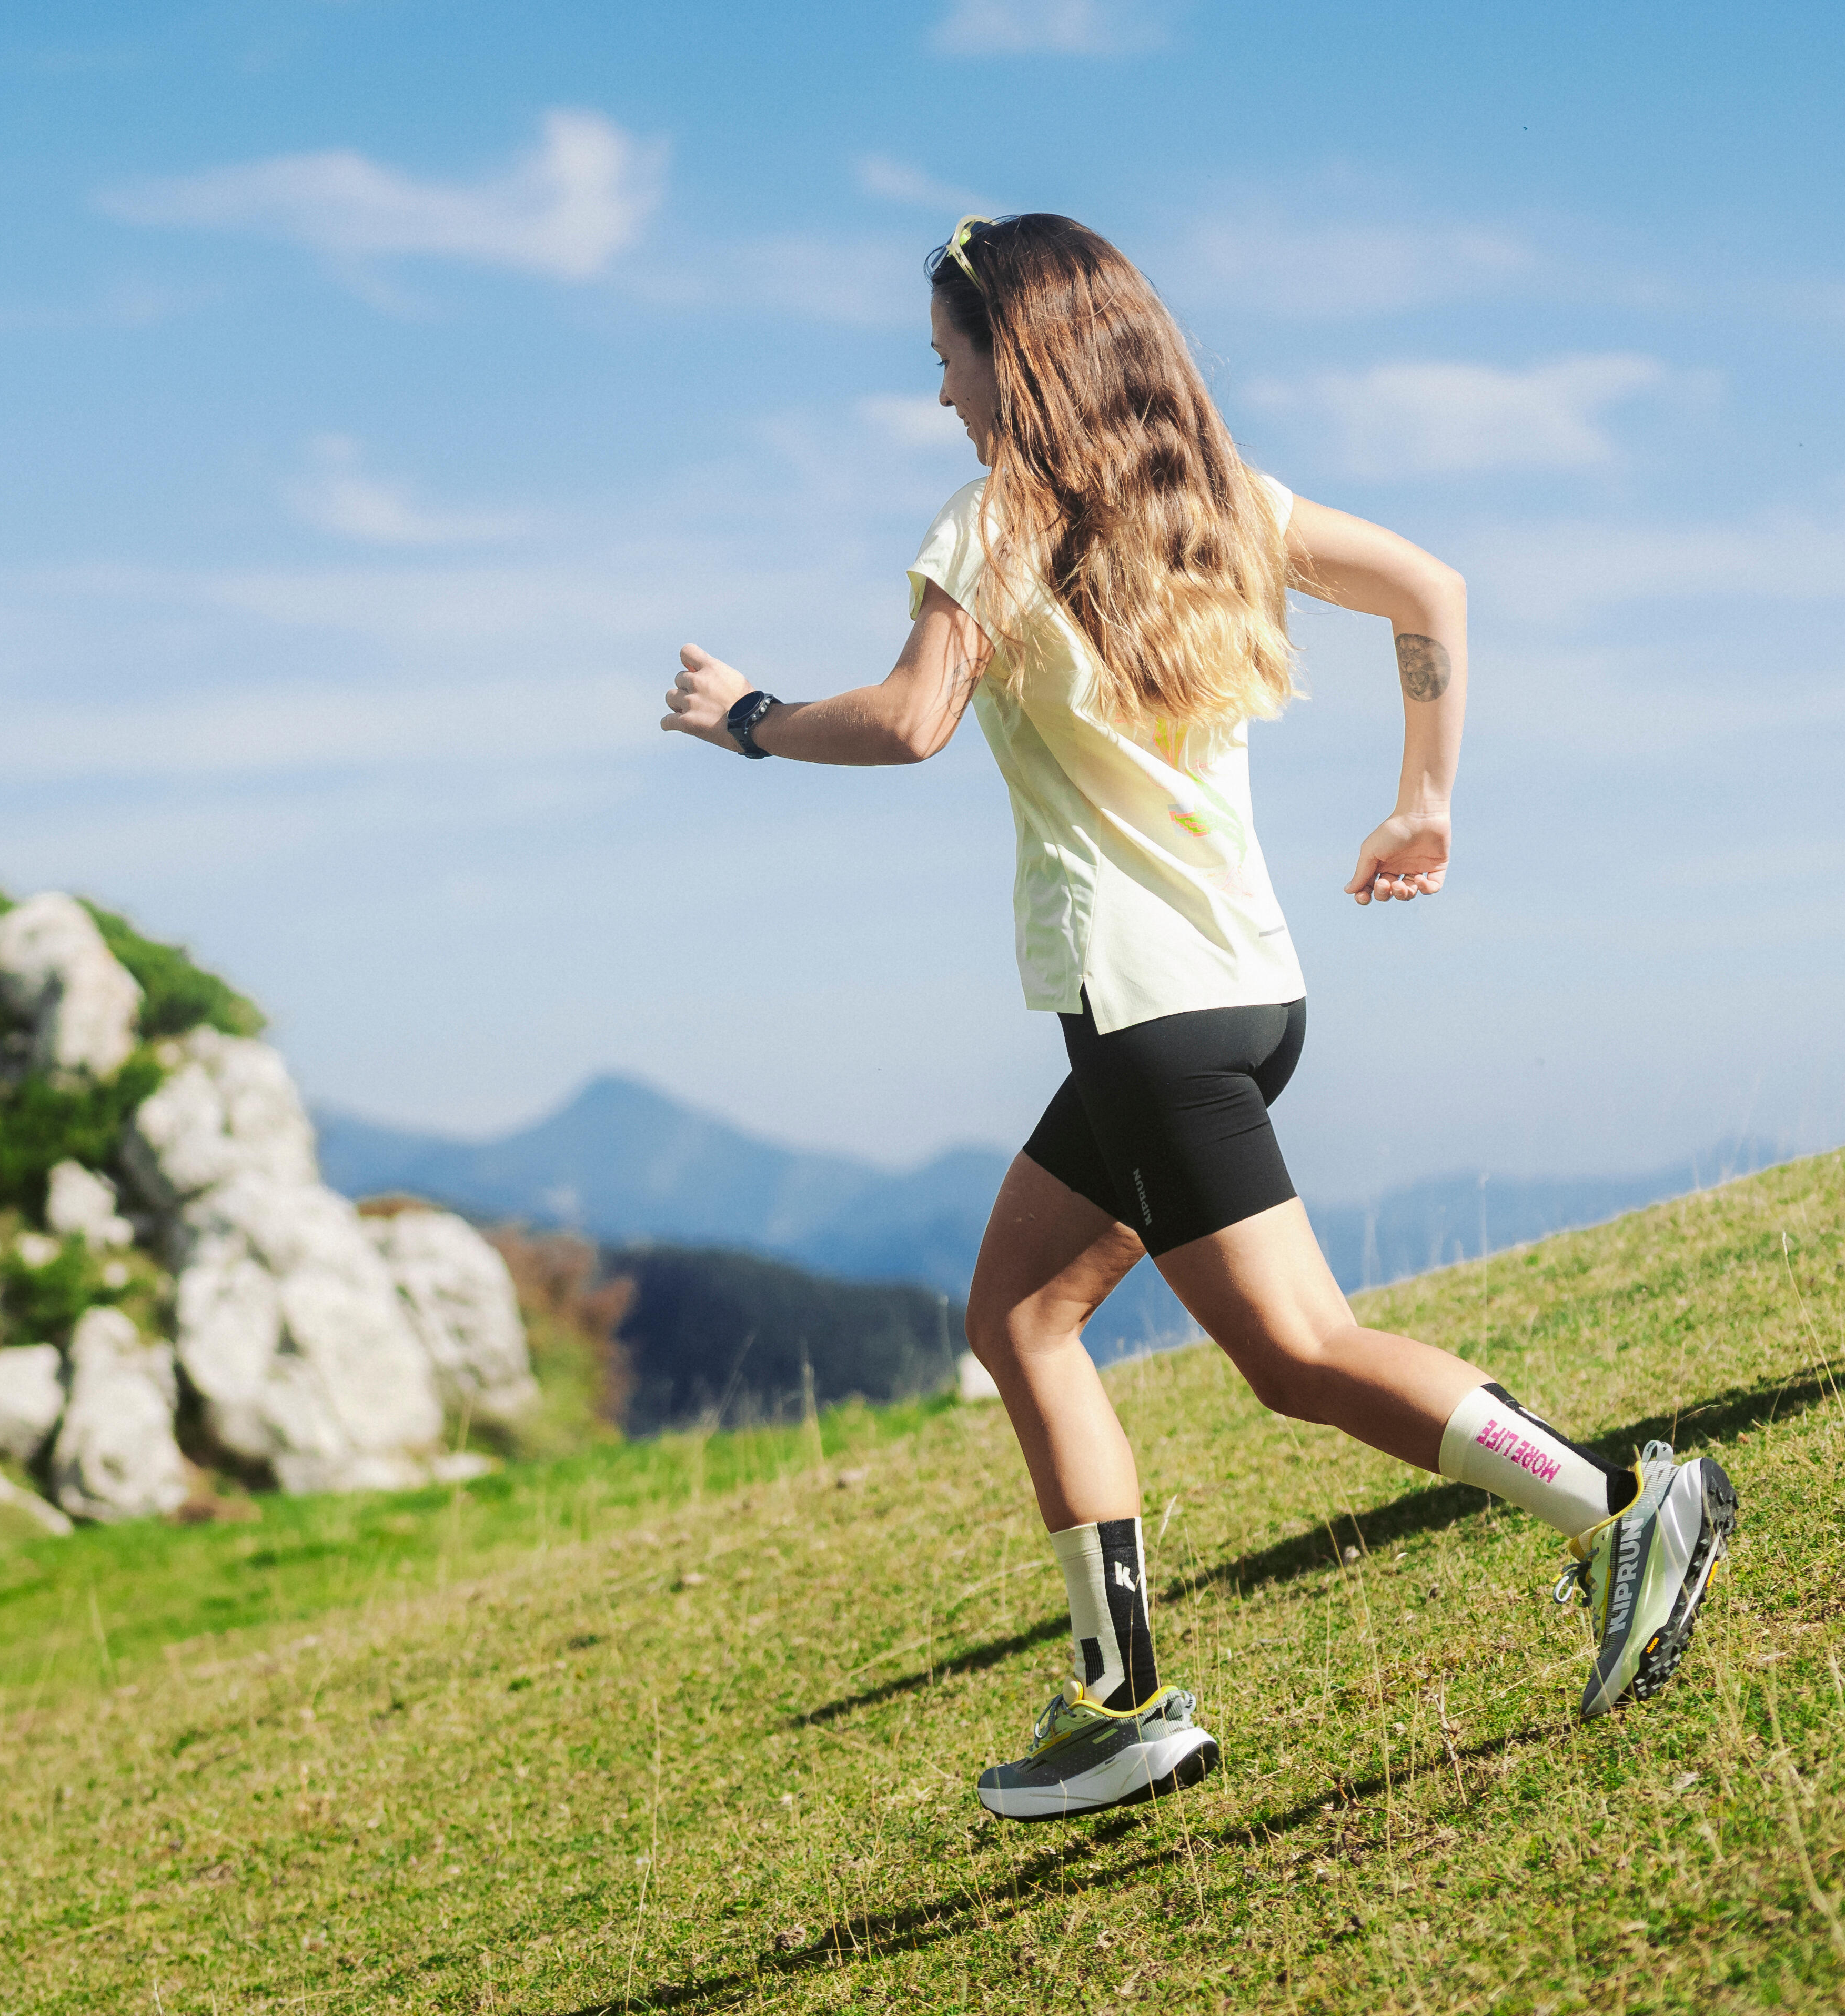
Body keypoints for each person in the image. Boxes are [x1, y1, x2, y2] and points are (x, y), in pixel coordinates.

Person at [659, 214, 1737, 1821]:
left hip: (1153, 1016)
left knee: (1300, 1355)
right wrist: (1420, 803)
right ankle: (1118, 1697)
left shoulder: (997, 519)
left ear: (1009, 355)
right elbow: (1428, 587)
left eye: (948, 355)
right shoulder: (1219, 501)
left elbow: (909, 722)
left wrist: (746, 720)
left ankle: (1621, 1507)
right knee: (1018, 1317)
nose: (938, 388)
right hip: (1243, 995)